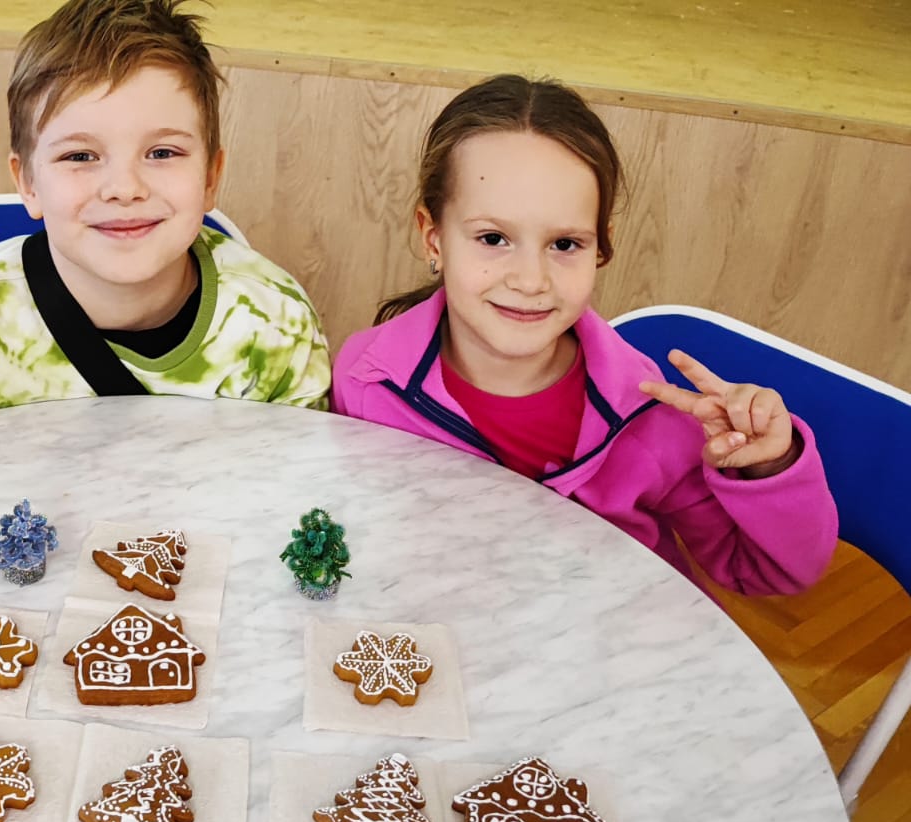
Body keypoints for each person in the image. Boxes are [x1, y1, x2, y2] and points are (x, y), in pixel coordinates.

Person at [331, 74, 836, 595]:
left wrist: (769, 466)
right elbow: (351, 526)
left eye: (564, 244)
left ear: (600, 247)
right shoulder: (365, 379)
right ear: (433, 238)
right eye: (493, 238)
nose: (531, 280)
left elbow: (770, 572)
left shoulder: (655, 419)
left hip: (613, 634)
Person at [0, 0, 330, 416]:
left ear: (209, 178)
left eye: (162, 152)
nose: (125, 189)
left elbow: (302, 463)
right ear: (28, 184)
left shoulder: (278, 322)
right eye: (80, 156)